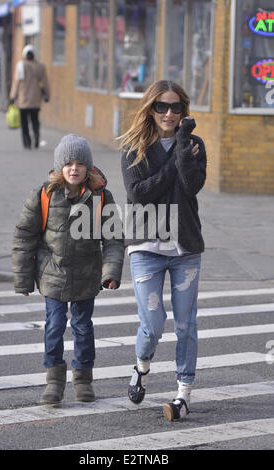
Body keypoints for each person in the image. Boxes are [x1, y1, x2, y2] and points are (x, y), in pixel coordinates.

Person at [12, 134, 124, 405]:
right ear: (60, 167)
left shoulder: (100, 197)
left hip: (87, 275)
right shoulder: (44, 194)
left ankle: (83, 378)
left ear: (88, 168)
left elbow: (113, 239)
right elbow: (24, 236)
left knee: (83, 327)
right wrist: (23, 278)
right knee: (54, 325)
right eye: (69, 163)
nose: (74, 168)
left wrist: (111, 272)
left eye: (80, 163)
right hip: (53, 274)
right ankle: (54, 379)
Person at [119, 80, 207, 421]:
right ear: (150, 109)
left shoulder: (194, 143)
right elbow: (139, 194)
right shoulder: (133, 146)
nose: (169, 113)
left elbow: (191, 186)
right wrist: (174, 164)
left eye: (176, 108)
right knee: (153, 323)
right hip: (145, 247)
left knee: (186, 324)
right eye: (161, 107)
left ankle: (183, 393)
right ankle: (142, 365)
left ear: (184, 111)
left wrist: (183, 145)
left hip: (186, 246)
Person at [9, 44, 50, 149]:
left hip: (23, 100)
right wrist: (47, 95)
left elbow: (16, 82)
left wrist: (12, 96)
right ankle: (36, 135)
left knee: (24, 123)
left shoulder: (21, 65)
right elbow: (45, 83)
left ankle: (27, 142)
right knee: (35, 120)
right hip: (35, 100)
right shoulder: (40, 66)